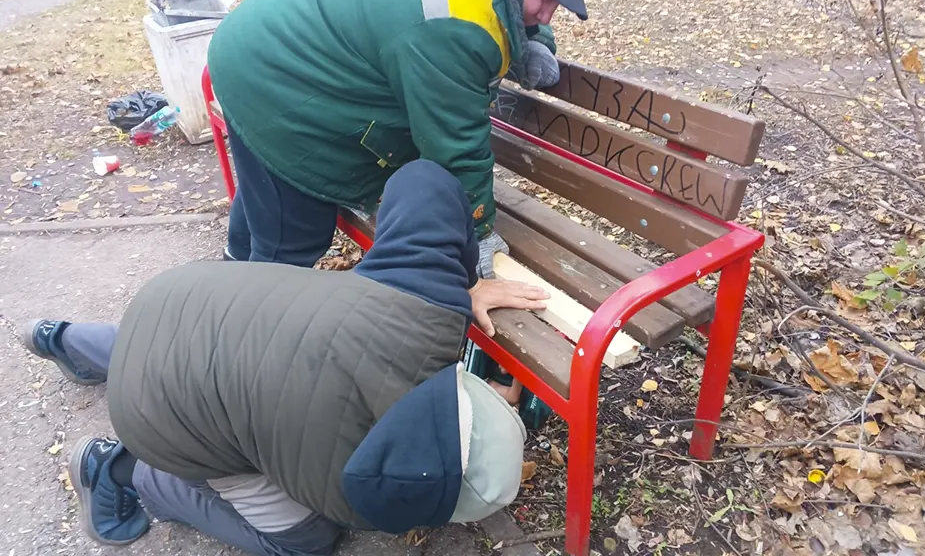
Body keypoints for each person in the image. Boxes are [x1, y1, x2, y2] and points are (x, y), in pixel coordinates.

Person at [21, 160, 549, 555]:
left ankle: (62, 338)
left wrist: (466, 282)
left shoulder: (425, 309)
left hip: (180, 298)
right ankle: (117, 469)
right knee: (306, 541)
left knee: (233, 339)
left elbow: (423, 180)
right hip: (158, 415)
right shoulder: (348, 493)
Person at [206, 0, 603, 276]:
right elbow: (454, 143)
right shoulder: (450, 13)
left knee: (264, 204)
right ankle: (244, 339)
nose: (549, 14)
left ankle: (224, 285)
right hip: (277, 84)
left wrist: (532, 41)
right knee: (290, 237)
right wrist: (476, 234)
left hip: (256, 45)